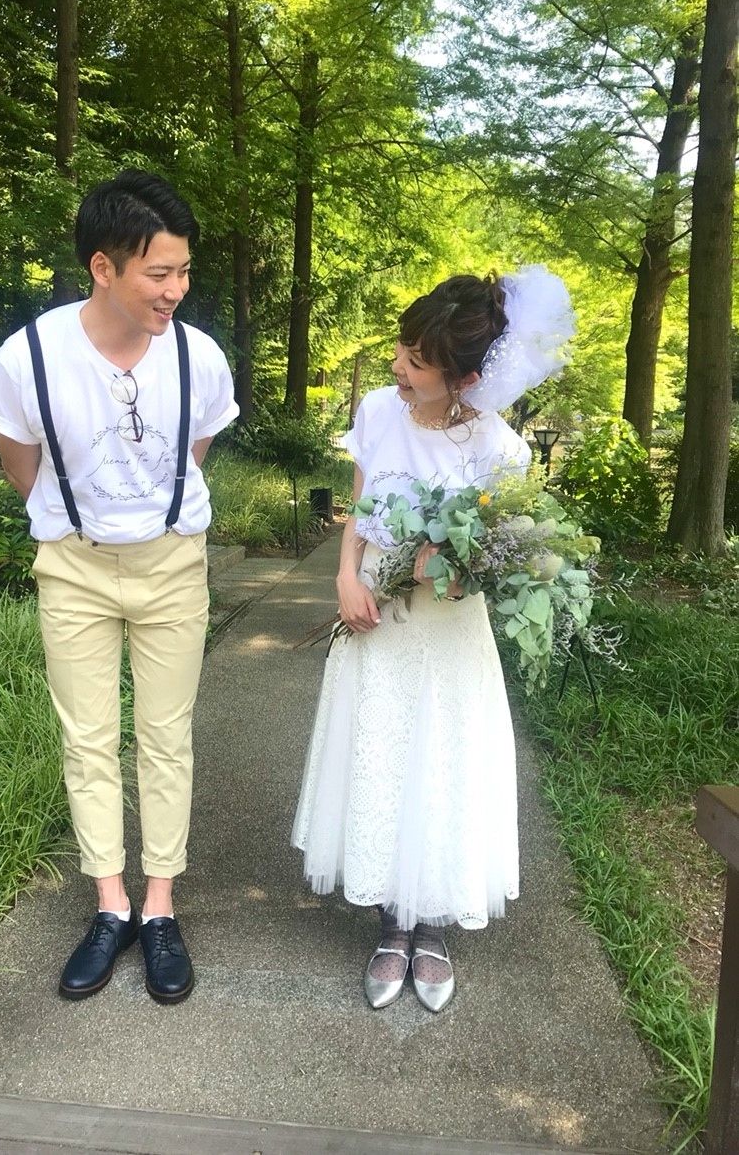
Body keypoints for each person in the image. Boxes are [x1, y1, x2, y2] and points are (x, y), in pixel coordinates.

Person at [0, 169, 238, 1004]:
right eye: (159, 273)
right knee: (87, 738)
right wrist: (75, 522)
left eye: (184, 271)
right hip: (74, 567)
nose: (176, 289)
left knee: (166, 736)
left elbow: (193, 451)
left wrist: (148, 517)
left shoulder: (199, 356)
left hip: (173, 562)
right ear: (102, 266)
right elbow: (19, 458)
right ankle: (110, 903)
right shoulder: (30, 355)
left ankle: (159, 906)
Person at [291, 267, 574, 1012]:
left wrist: (451, 571)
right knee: (381, 753)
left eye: (417, 362)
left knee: (441, 760)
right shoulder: (379, 410)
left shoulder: (498, 447)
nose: (399, 366)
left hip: (447, 630)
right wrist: (345, 578)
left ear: (466, 378)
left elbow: (498, 555)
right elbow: (360, 509)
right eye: (402, 349)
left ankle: (433, 924)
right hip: (375, 616)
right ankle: (391, 921)